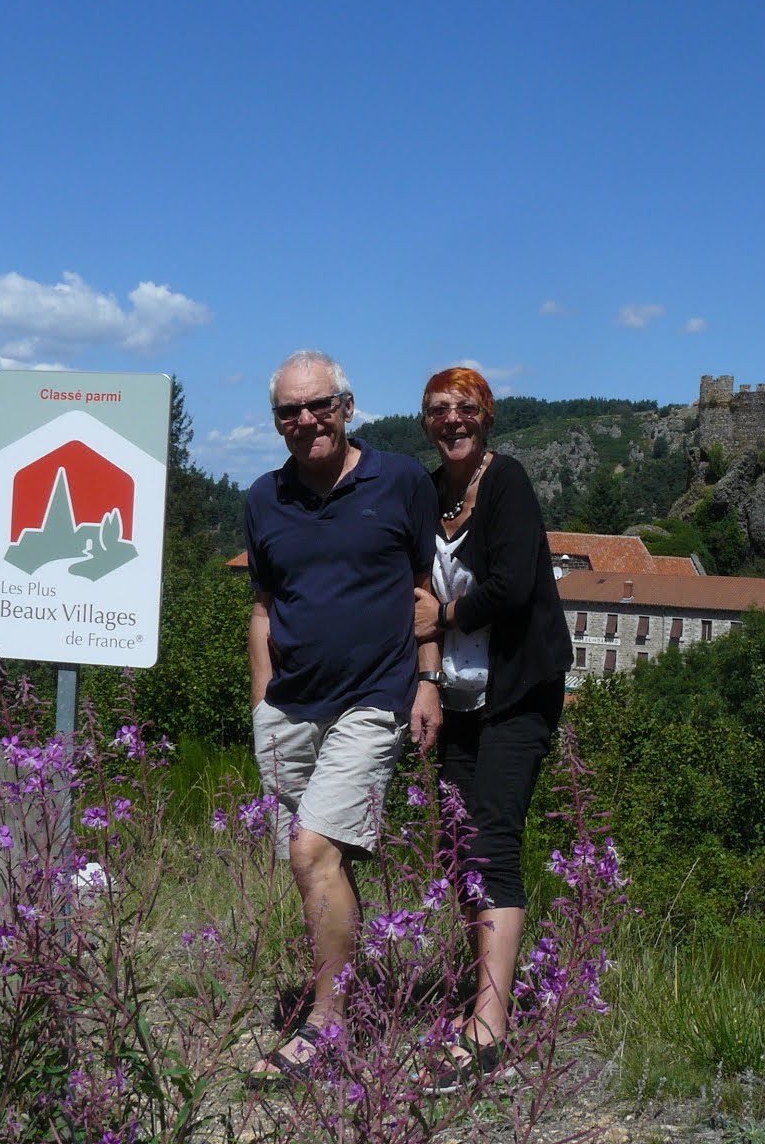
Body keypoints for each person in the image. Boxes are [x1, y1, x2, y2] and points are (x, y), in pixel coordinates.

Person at [244, 350, 442, 1086]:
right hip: (290, 707)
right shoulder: (265, 497)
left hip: (373, 699)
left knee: (308, 851)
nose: (305, 421)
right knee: (316, 861)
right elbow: (263, 606)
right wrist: (262, 700)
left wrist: (427, 683)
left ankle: (326, 1024)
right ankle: (350, 998)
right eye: (288, 412)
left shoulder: (400, 482)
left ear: (347, 405)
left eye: (318, 405)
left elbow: (424, 591)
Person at [411, 367, 573, 1093]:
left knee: (492, 841)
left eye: (466, 409)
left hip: (518, 694)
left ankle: (490, 1027)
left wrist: (441, 620)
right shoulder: (428, 493)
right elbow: (416, 587)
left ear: (488, 418)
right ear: (425, 422)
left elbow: (509, 587)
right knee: (454, 844)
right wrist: (429, 677)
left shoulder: (506, 483)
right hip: (460, 695)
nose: (453, 421)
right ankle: (477, 993)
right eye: (440, 411)